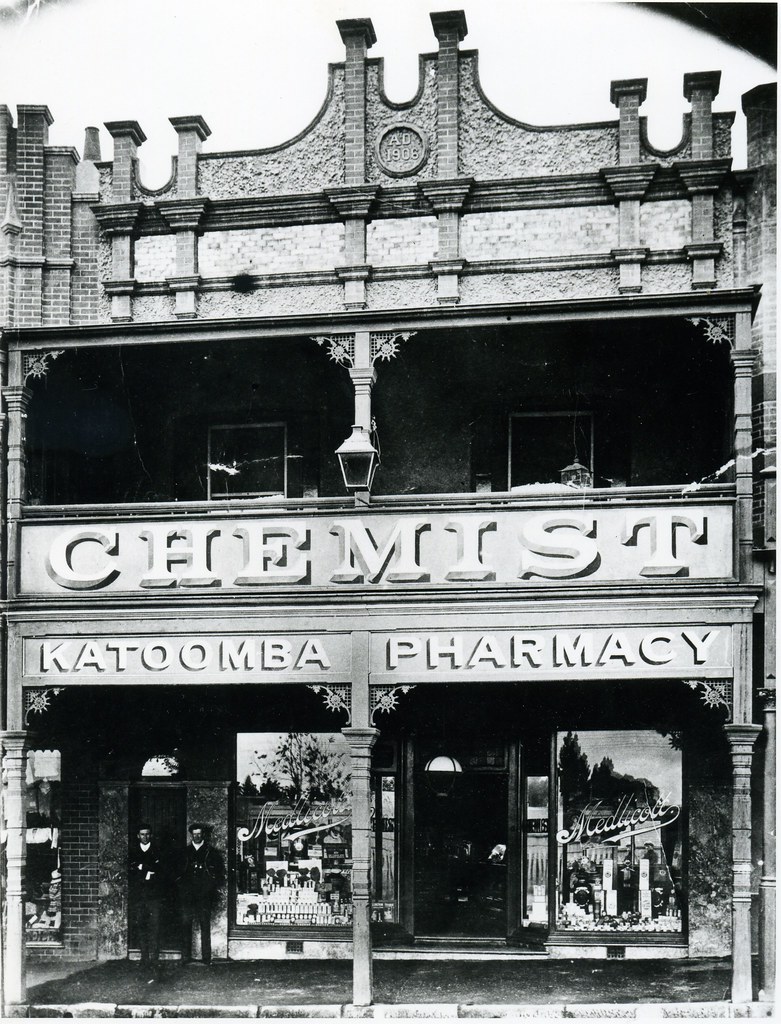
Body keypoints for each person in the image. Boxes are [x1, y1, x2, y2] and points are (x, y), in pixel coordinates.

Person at [178, 823, 222, 965]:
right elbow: (178, 872)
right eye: (194, 834)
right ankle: (185, 957)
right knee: (185, 924)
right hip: (188, 895)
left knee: (204, 924)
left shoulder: (211, 852)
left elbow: (219, 873)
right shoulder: (185, 851)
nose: (197, 836)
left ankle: (206, 958)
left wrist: (210, 887)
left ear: (203, 835)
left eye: (199, 834)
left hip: (204, 895)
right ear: (191, 835)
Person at [129, 824, 164, 968]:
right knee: (141, 926)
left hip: (154, 896)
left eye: (148, 834)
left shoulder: (157, 850)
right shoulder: (133, 851)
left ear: (151, 835)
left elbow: (160, 869)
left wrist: (141, 867)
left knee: (155, 926)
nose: (145, 837)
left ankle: (154, 958)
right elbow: (131, 870)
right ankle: (144, 958)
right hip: (139, 896)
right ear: (138, 836)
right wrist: (148, 869)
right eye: (142, 834)